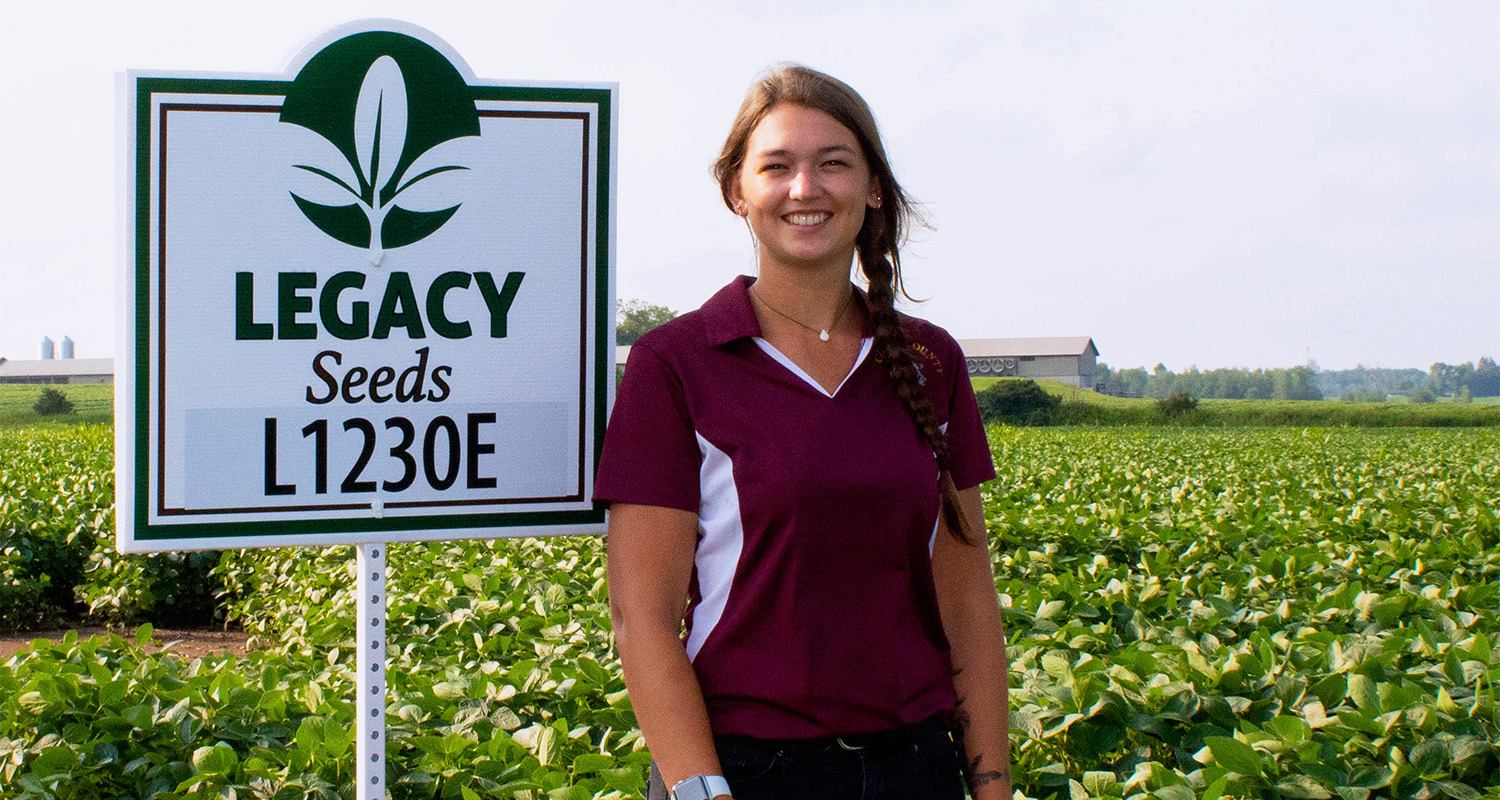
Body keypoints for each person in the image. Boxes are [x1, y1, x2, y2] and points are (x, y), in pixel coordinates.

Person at [595, 64, 1012, 800]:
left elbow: (968, 605)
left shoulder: (930, 360)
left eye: (833, 164)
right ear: (737, 191)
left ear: (873, 186)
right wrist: (701, 789)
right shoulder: (677, 364)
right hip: (742, 769)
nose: (804, 189)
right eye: (776, 167)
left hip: (916, 768)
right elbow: (644, 618)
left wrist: (992, 786)